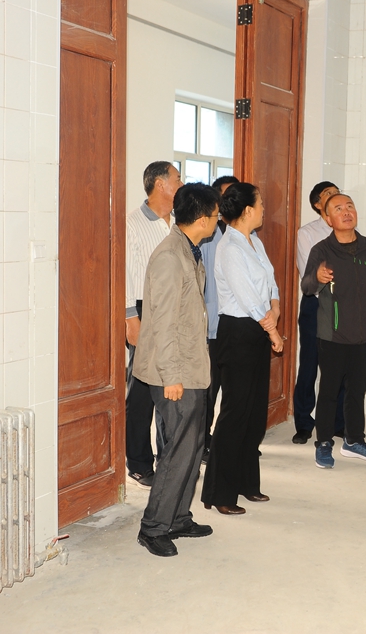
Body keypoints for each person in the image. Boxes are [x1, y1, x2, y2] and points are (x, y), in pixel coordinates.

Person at [133, 182, 220, 557]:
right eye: (215, 215)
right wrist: (171, 377)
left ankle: (179, 517)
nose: (217, 220)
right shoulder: (170, 257)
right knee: (176, 452)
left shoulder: (188, 249)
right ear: (202, 219)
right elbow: (164, 323)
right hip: (174, 372)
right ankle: (153, 527)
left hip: (191, 368)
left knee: (192, 447)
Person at [201, 183, 284, 515]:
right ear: (248, 210)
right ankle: (220, 493)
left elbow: (270, 281)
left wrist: (275, 307)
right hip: (237, 332)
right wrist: (273, 329)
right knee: (235, 412)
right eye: (261, 204)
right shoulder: (229, 247)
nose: (264, 209)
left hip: (258, 327)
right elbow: (247, 296)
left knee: (254, 413)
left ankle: (248, 483)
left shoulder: (255, 241)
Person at [301, 193, 366, 469]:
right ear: (329, 219)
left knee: (357, 391)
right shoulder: (322, 250)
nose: (346, 212)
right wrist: (317, 277)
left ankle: (354, 441)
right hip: (333, 335)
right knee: (328, 391)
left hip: (365, 335)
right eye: (338, 209)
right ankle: (323, 442)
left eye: (350, 206)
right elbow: (306, 287)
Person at [125, 161, 182, 487]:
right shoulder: (133, 223)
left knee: (170, 385)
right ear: (160, 184)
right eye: (177, 178)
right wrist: (130, 317)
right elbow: (125, 273)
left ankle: (169, 458)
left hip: (173, 309)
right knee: (142, 390)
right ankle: (138, 462)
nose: (181, 183)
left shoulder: (176, 223)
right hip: (143, 309)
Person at [292, 181, 346, 444]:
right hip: (315, 304)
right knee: (309, 364)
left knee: (340, 366)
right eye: (328, 194)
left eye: (337, 192)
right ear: (317, 204)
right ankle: (303, 423)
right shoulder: (307, 233)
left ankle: (338, 422)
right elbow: (309, 273)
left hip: (343, 305)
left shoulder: (348, 229)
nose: (335, 196)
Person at [199, 175, 239, 464]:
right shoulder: (208, 234)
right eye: (226, 195)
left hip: (235, 323)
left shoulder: (244, 232)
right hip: (211, 325)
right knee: (208, 390)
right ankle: (202, 442)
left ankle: (228, 439)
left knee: (233, 387)